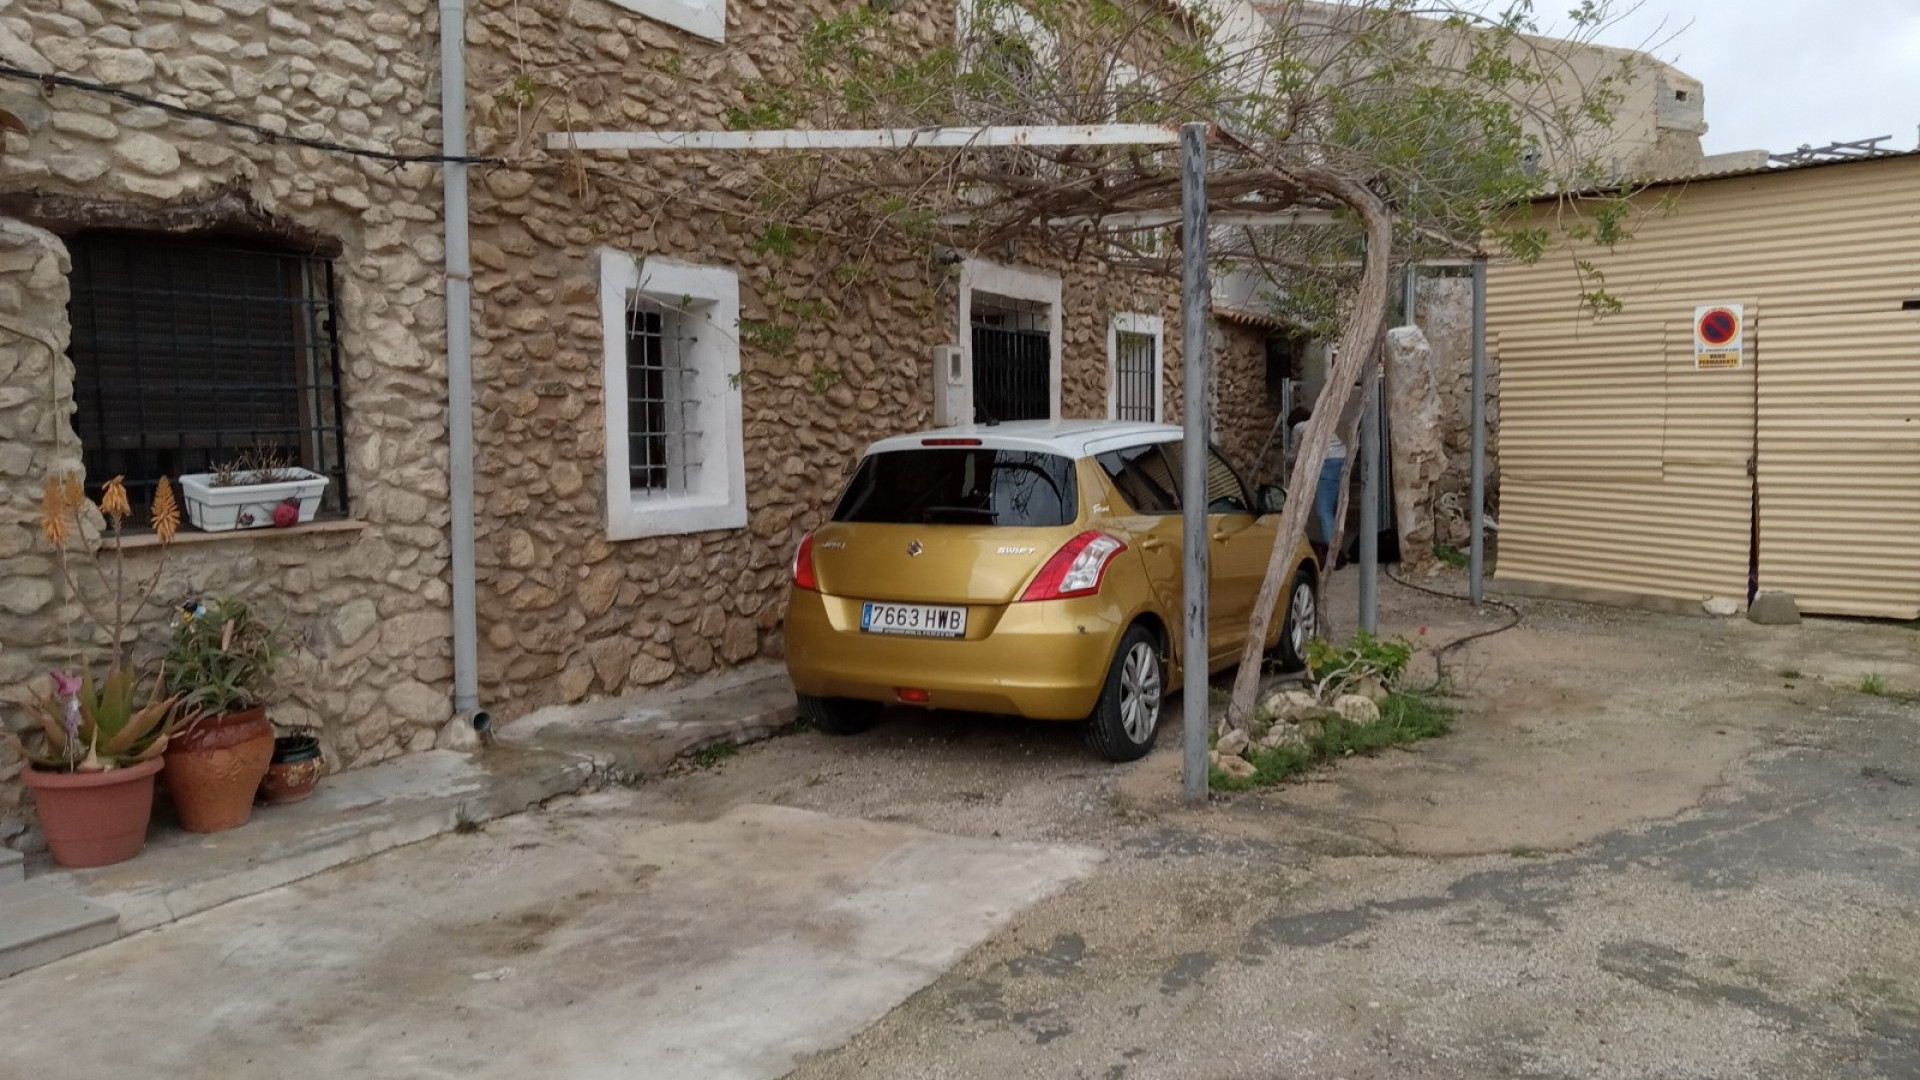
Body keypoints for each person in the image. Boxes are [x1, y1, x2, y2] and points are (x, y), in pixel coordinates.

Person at [1288, 406, 1347, 556]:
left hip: (1327, 462)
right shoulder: (1319, 422)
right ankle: (1336, 546)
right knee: (1332, 508)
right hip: (1342, 460)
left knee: (1324, 510)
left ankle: (1333, 553)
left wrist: (1284, 458)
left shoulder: (1298, 427)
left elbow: (1295, 452)